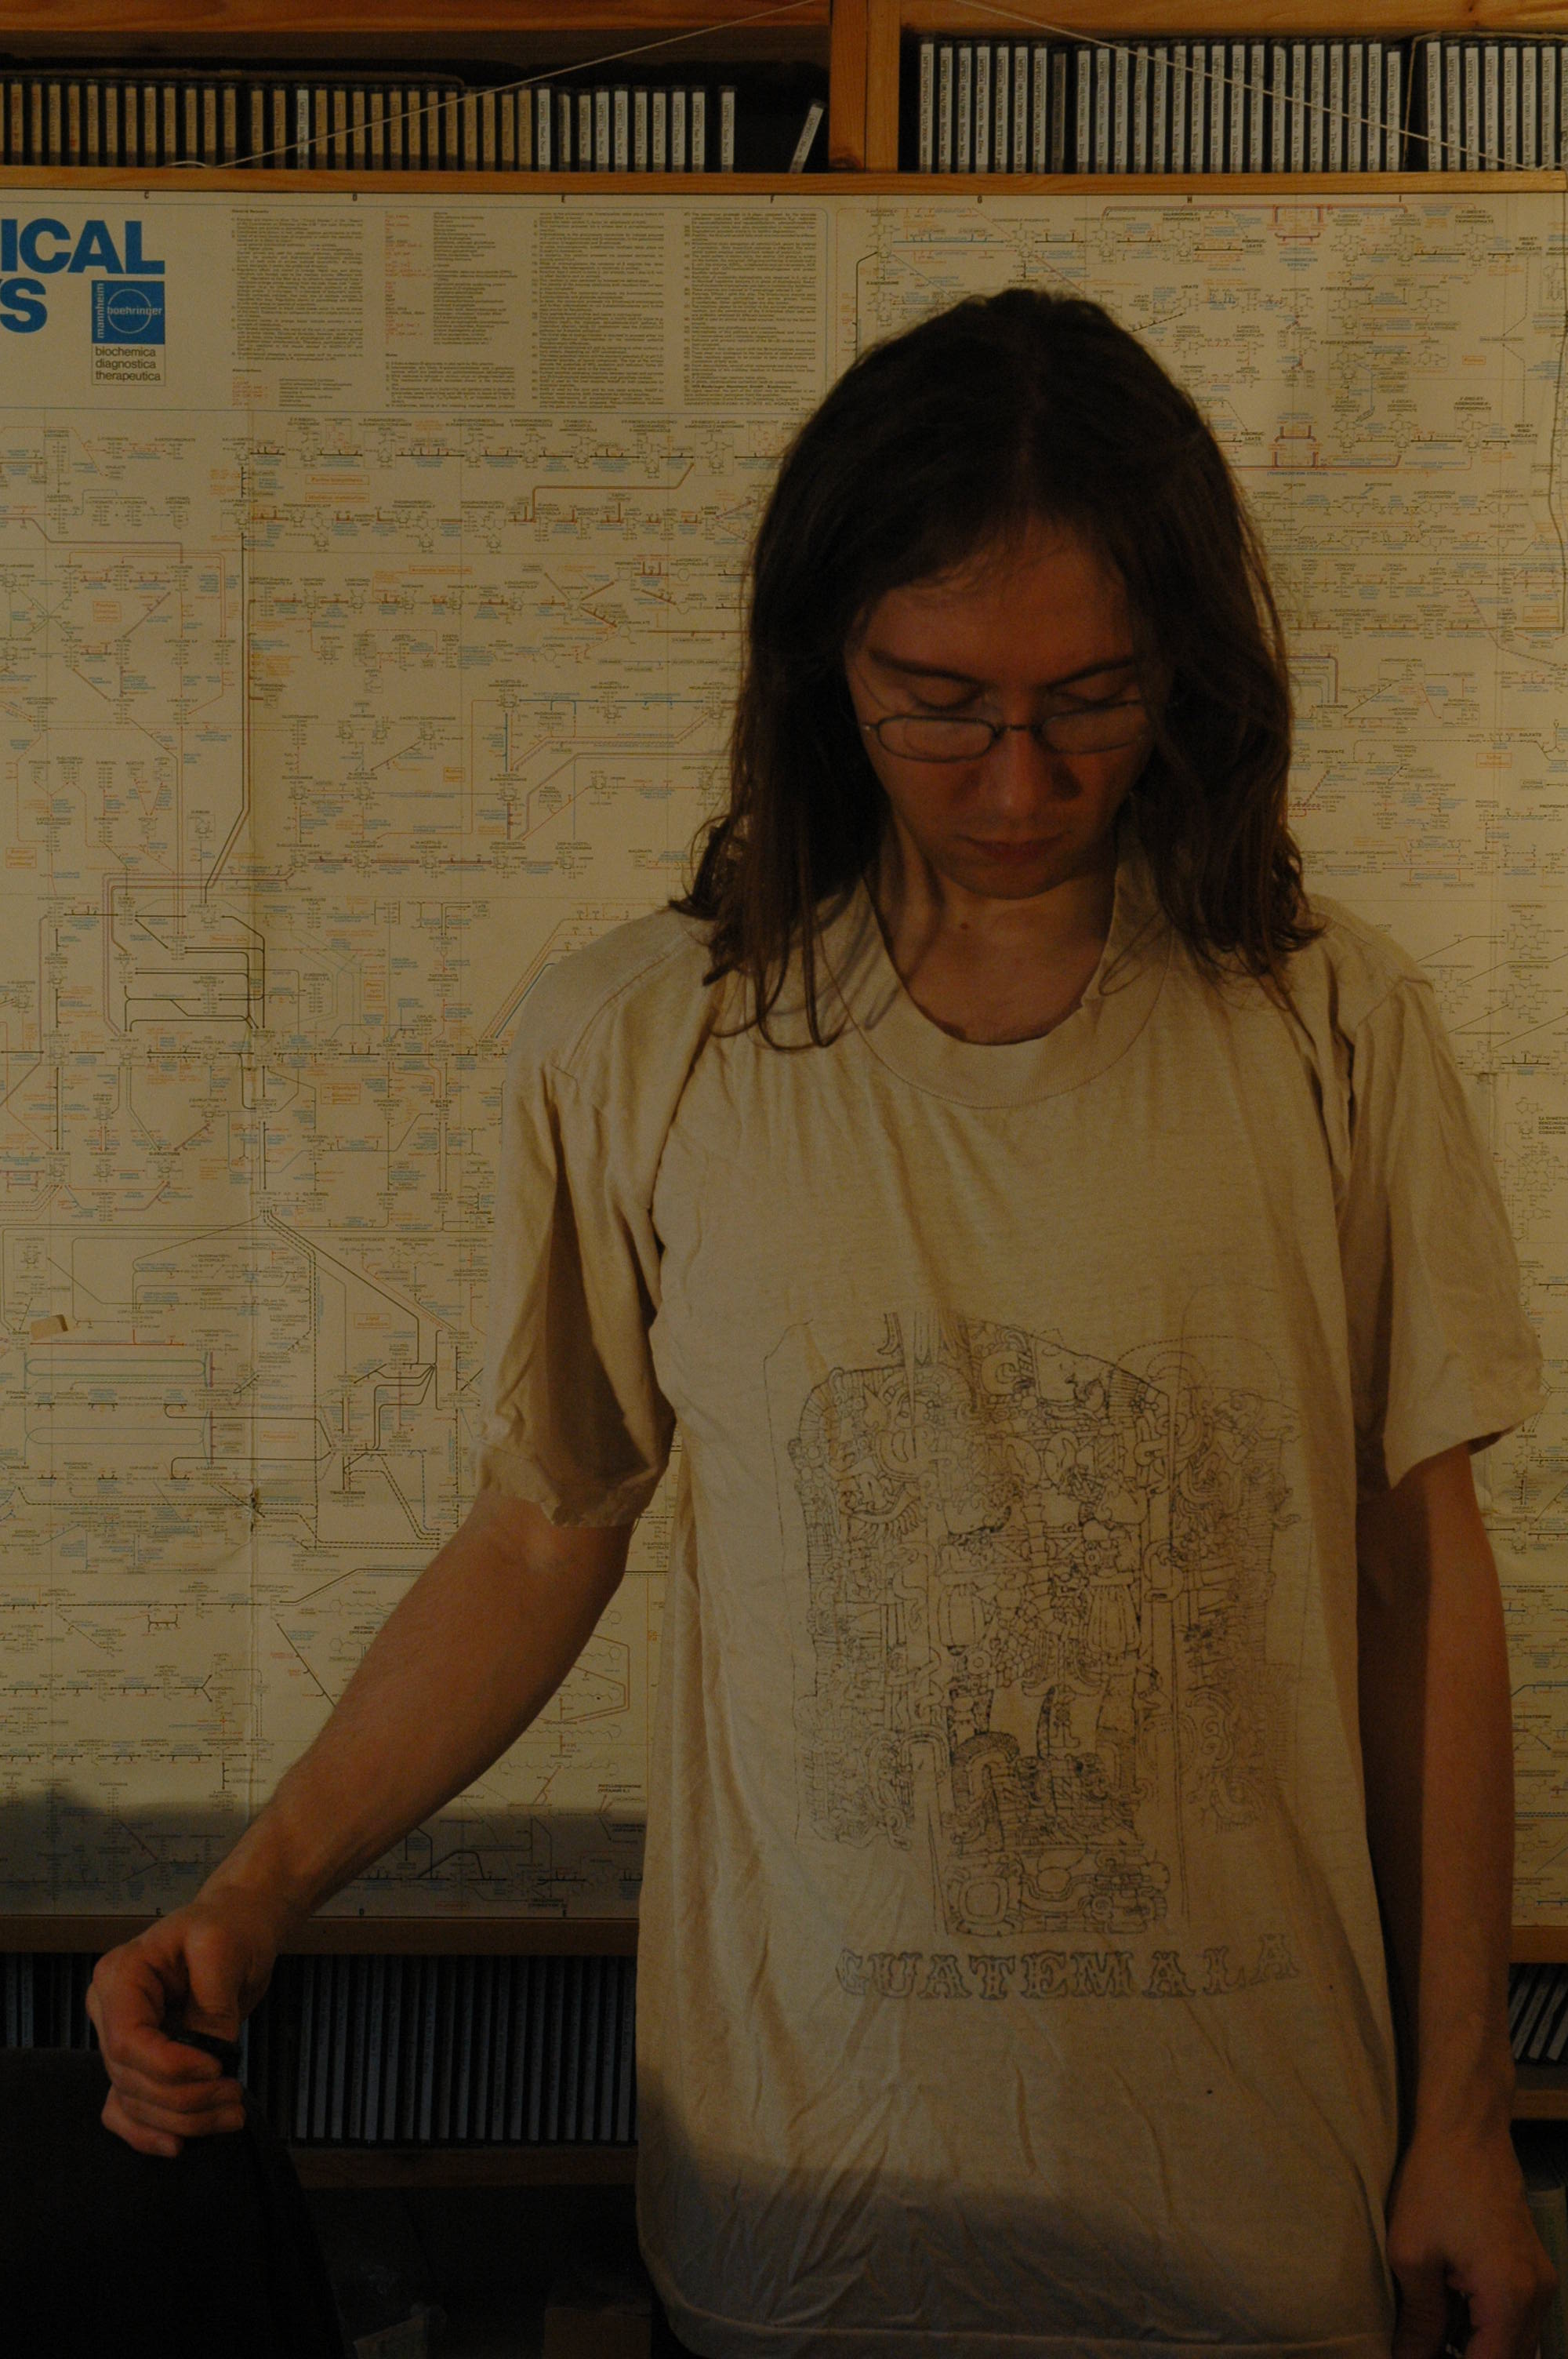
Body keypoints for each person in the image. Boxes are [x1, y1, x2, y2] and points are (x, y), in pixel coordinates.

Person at [89, 288, 1553, 2359]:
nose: (1021, 779)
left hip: (1249, 2218)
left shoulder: (1331, 1024)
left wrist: (1465, 2119)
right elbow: (543, 1528)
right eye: (938, 703)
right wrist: (256, 1891)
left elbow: (1422, 1582)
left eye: (1094, 699)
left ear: (1190, 671)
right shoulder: (644, 1038)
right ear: (820, 664)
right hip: (804, 2228)